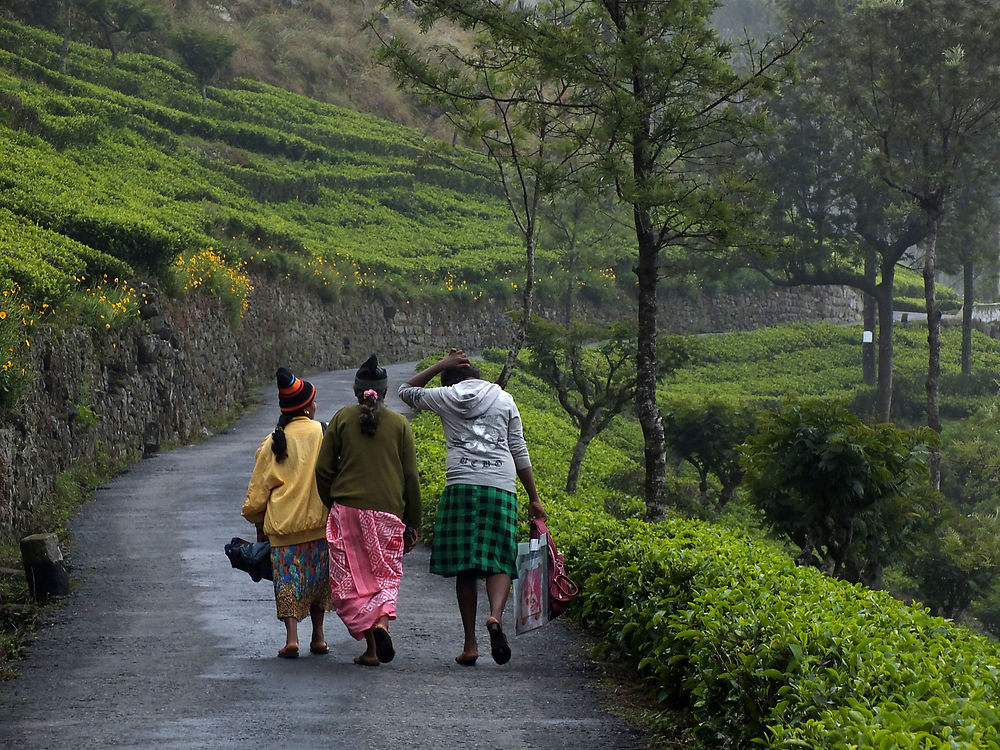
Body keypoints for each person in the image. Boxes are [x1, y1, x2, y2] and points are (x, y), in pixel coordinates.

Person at [398, 348, 547, 666]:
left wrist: (440, 364)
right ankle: (494, 617)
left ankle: (470, 645)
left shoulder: (445, 396)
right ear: (477, 377)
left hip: (462, 485)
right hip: (501, 485)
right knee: (500, 560)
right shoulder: (504, 399)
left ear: (451, 378)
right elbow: (518, 448)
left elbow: (405, 391)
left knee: (466, 567)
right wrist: (533, 498)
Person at [315, 353, 421, 666]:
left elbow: (323, 470)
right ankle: (381, 625)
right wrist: (413, 523)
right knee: (384, 578)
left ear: (356, 390)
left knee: (351, 583)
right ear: (385, 392)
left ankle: (372, 649)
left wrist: (332, 502)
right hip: (388, 515)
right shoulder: (400, 425)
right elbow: (411, 478)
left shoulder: (341, 419)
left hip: (347, 511)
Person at [242, 367, 332, 659]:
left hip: (283, 532)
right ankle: (318, 636)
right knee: (318, 582)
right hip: (319, 526)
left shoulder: (271, 443)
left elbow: (258, 493)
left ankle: (292, 639)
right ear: (307, 407)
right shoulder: (323, 432)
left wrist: (258, 522)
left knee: (288, 584)